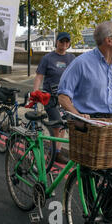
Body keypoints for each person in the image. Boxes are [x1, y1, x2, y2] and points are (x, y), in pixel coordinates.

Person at [58, 21, 112, 224]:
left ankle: (109, 218)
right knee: (90, 171)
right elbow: (63, 95)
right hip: (91, 121)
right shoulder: (81, 63)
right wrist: (79, 116)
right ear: (109, 40)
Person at [33, 32, 75, 164]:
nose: (64, 44)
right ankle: (54, 152)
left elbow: (76, 76)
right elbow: (39, 75)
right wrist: (35, 92)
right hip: (50, 97)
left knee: (63, 124)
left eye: (67, 42)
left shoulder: (72, 58)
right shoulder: (48, 58)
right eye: (61, 41)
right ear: (56, 42)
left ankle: (56, 151)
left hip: (66, 97)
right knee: (57, 124)